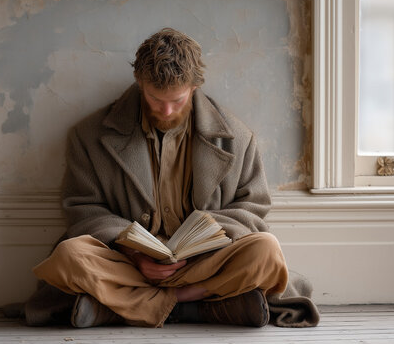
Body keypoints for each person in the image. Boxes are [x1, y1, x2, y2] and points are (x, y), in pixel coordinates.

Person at [25, 28, 289, 328]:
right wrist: (133, 252)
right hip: (128, 265)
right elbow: (82, 209)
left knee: (266, 251)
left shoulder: (238, 138)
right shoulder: (89, 136)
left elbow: (253, 208)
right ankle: (200, 307)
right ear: (139, 83)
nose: (165, 110)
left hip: (205, 264)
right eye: (154, 98)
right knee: (69, 256)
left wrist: (207, 244)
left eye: (177, 100)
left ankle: (123, 307)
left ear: (194, 86)